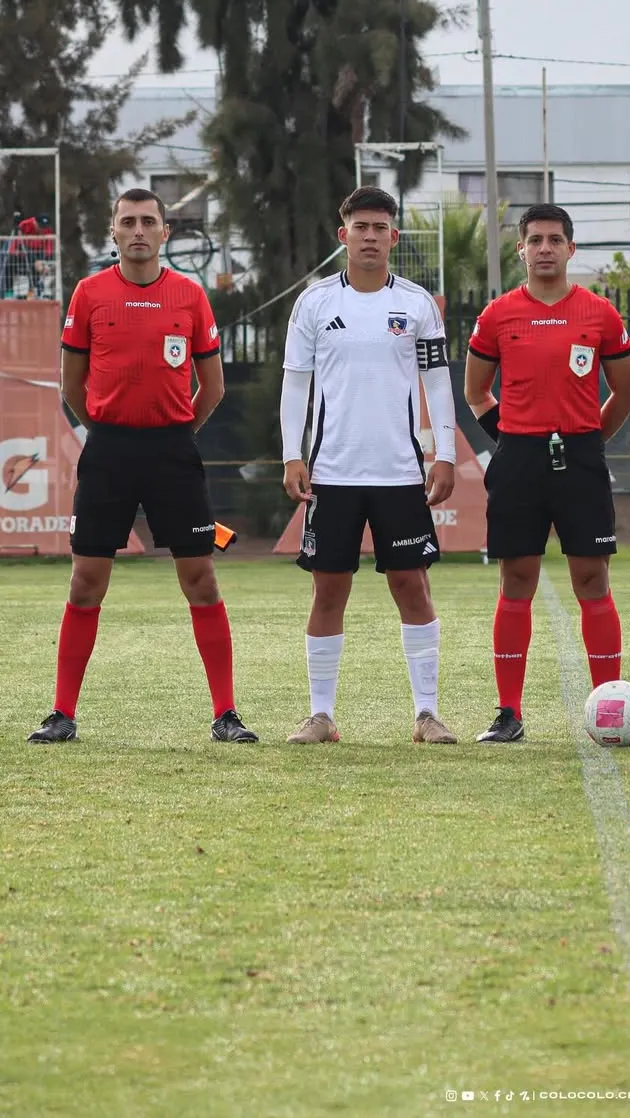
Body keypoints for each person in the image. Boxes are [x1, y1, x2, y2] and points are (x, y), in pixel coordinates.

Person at [28, 188, 257, 744]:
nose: (137, 230)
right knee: (86, 582)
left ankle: (225, 714)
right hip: (108, 452)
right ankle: (62, 713)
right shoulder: (88, 294)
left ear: (164, 233)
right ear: (113, 232)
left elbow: (214, 387)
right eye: (127, 221)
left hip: (173, 453)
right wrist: (111, 430)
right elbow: (72, 386)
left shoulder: (189, 295)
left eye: (147, 221)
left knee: (200, 579)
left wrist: (173, 434)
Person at [280, 186, 459, 745]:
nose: (371, 237)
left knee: (412, 585)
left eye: (381, 228)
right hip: (331, 472)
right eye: (361, 227)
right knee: (328, 591)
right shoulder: (313, 304)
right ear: (344, 236)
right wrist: (292, 453)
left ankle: (427, 714)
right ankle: (321, 716)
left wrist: (446, 453)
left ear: (394, 238)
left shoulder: (417, 305)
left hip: (401, 474)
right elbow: (295, 384)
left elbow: (437, 381)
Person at [464, 203, 630, 743]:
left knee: (592, 579)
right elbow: (475, 393)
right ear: (521, 249)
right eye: (535, 239)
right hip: (519, 461)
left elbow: (625, 393)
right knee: (517, 580)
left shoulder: (600, 314)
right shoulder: (497, 315)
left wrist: (587, 439)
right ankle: (508, 712)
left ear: (570, 248)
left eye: (554, 239)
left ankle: (609, 706)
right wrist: (515, 440)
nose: (544, 247)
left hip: (581, 460)